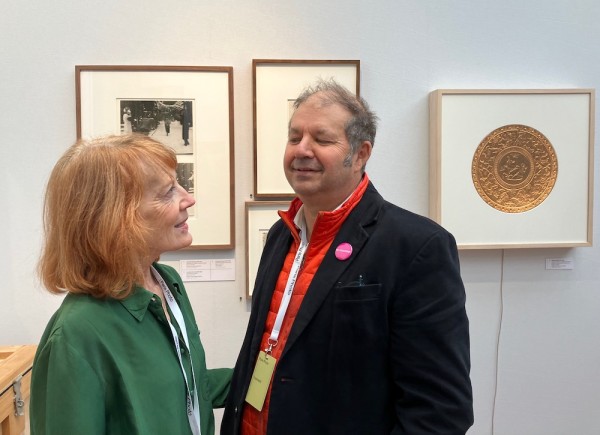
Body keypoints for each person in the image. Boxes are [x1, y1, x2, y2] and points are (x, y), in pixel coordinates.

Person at [221, 80, 473, 434]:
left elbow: (440, 410)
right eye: (294, 138)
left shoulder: (416, 246)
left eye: (322, 140)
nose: (302, 150)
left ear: (361, 153)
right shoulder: (281, 234)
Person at [30, 134, 231, 435]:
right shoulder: (75, 335)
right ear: (116, 219)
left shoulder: (166, 283)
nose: (188, 198)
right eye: (167, 193)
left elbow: (183, 387)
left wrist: (280, 377)